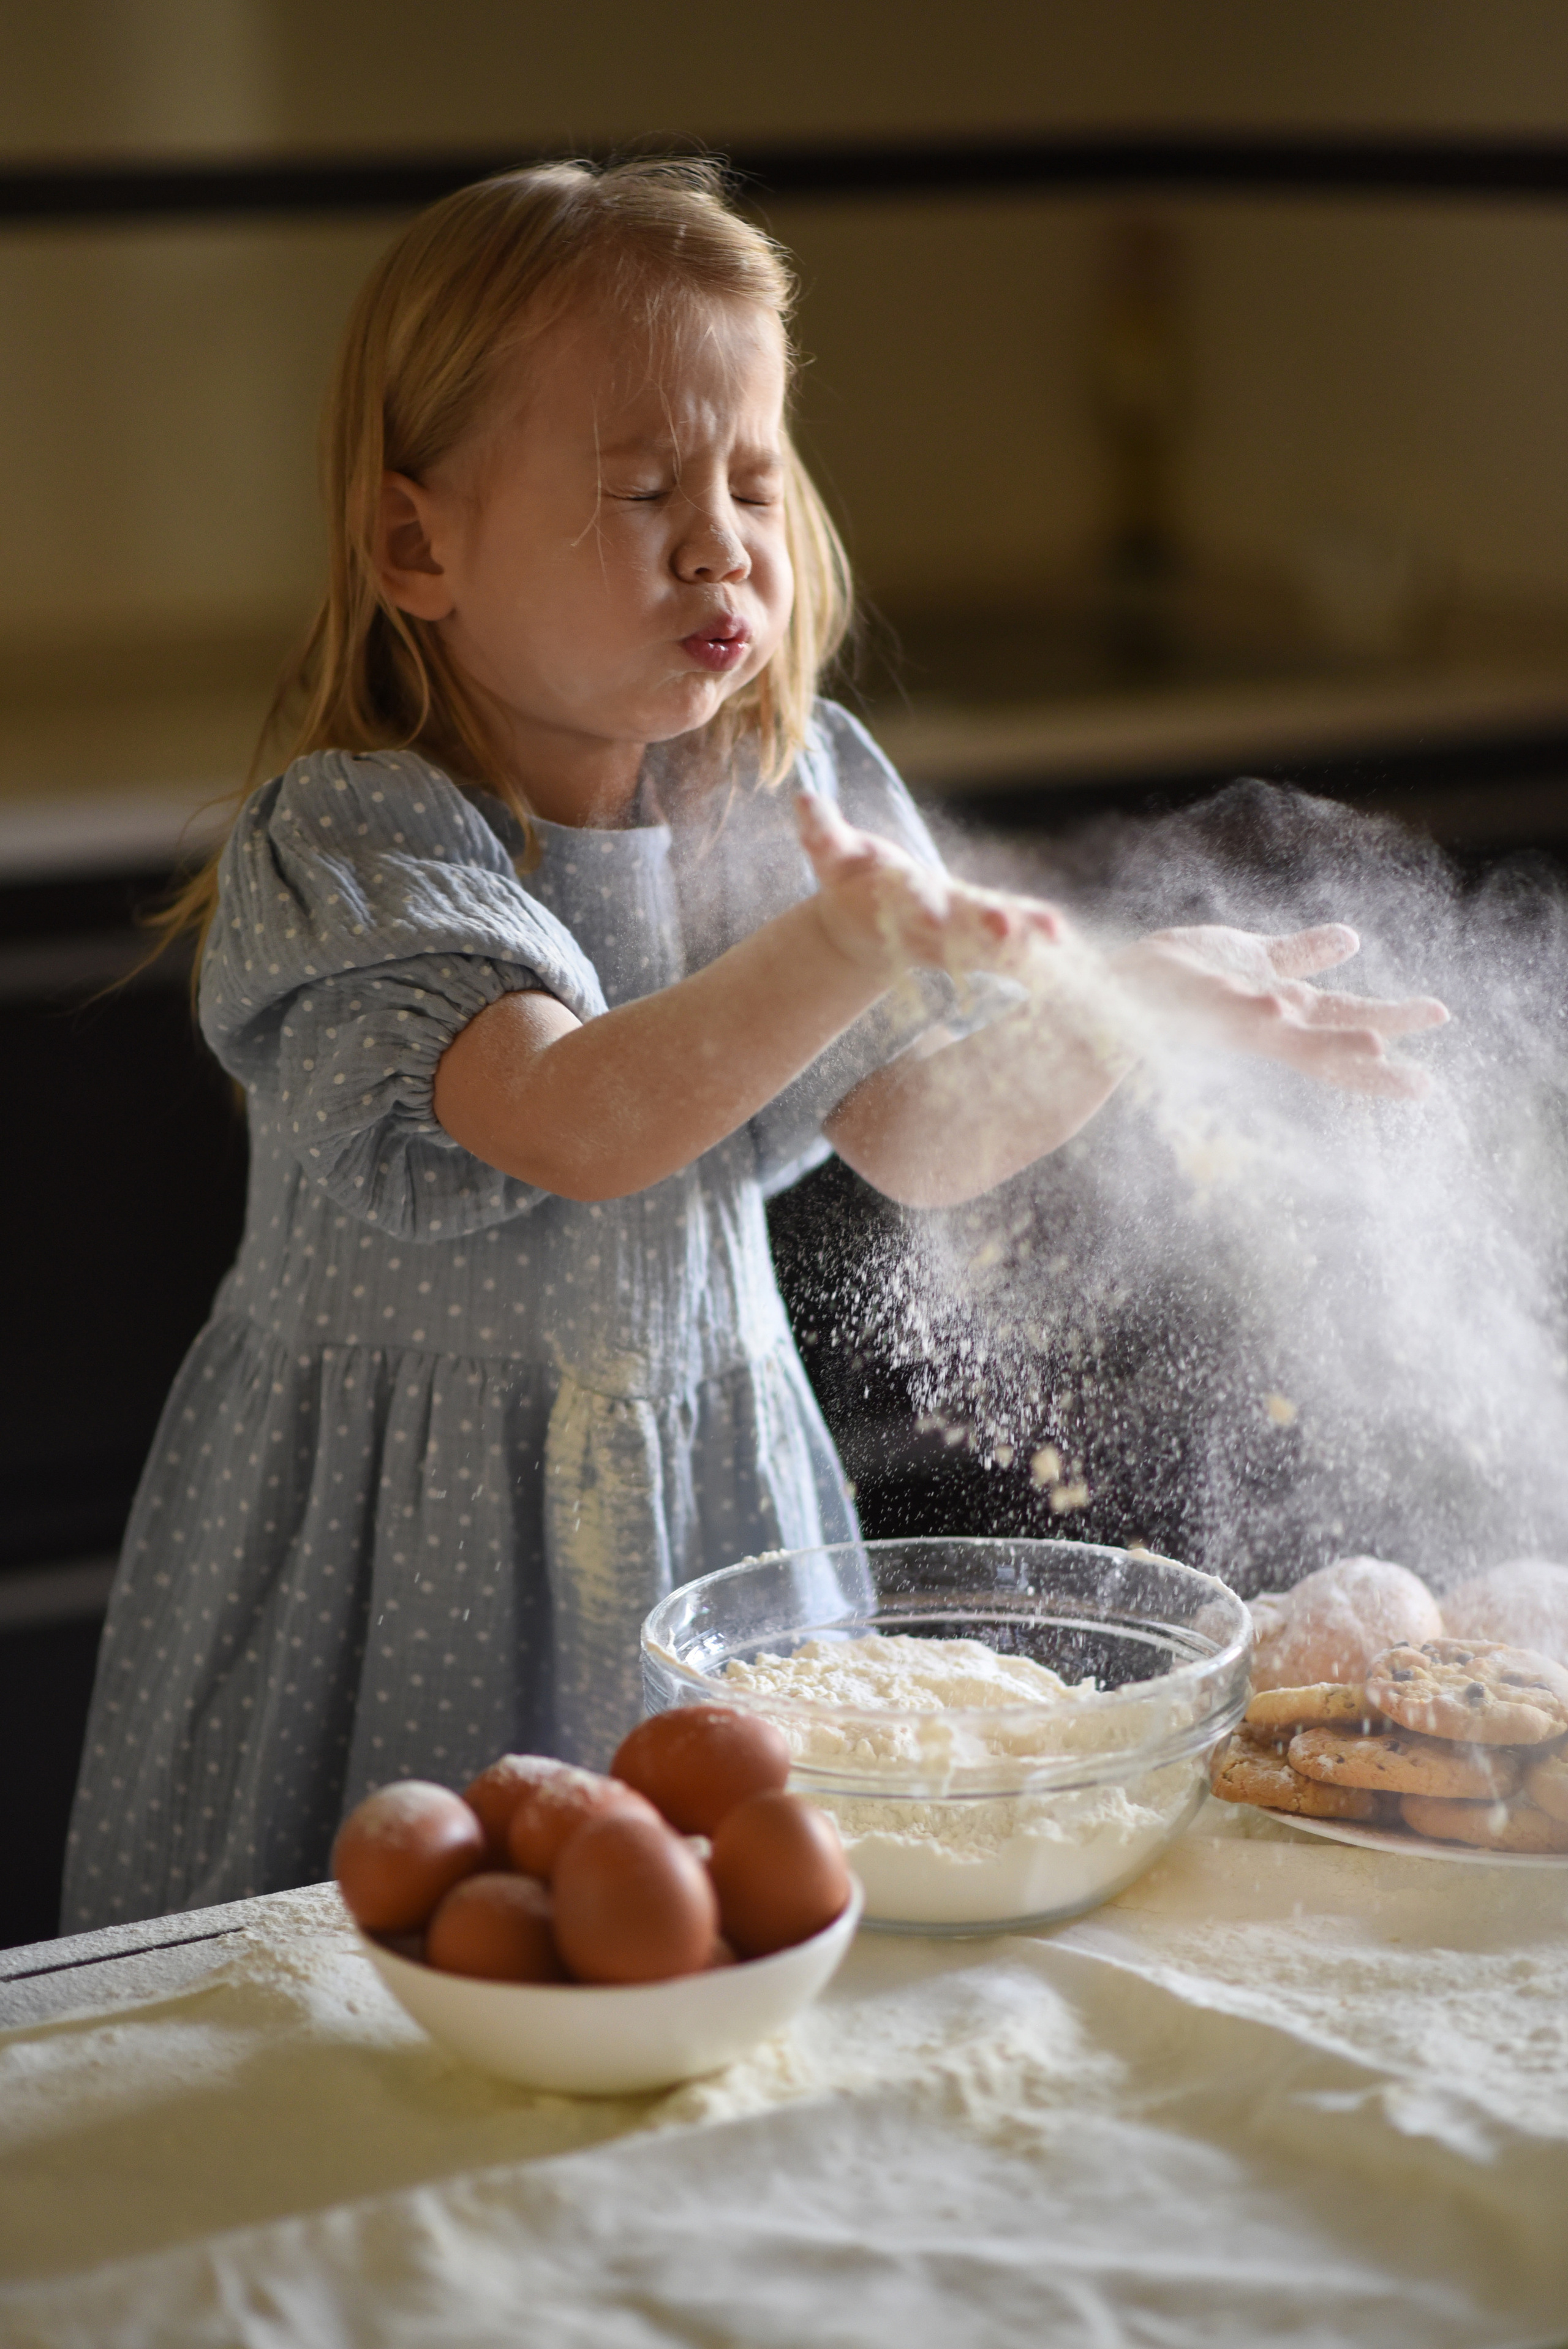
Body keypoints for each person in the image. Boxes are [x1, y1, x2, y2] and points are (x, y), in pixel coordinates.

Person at [62, 160, 1445, 1931]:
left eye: (754, 481)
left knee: (687, 1950)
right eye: (644, 488)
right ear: (417, 543)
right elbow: (575, 1115)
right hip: (388, 1536)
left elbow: (921, 1133)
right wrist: (844, 936)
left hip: (703, 1508)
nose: (721, 540)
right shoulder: (355, 845)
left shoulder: (780, 810)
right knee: (378, 1982)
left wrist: (1133, 1000)